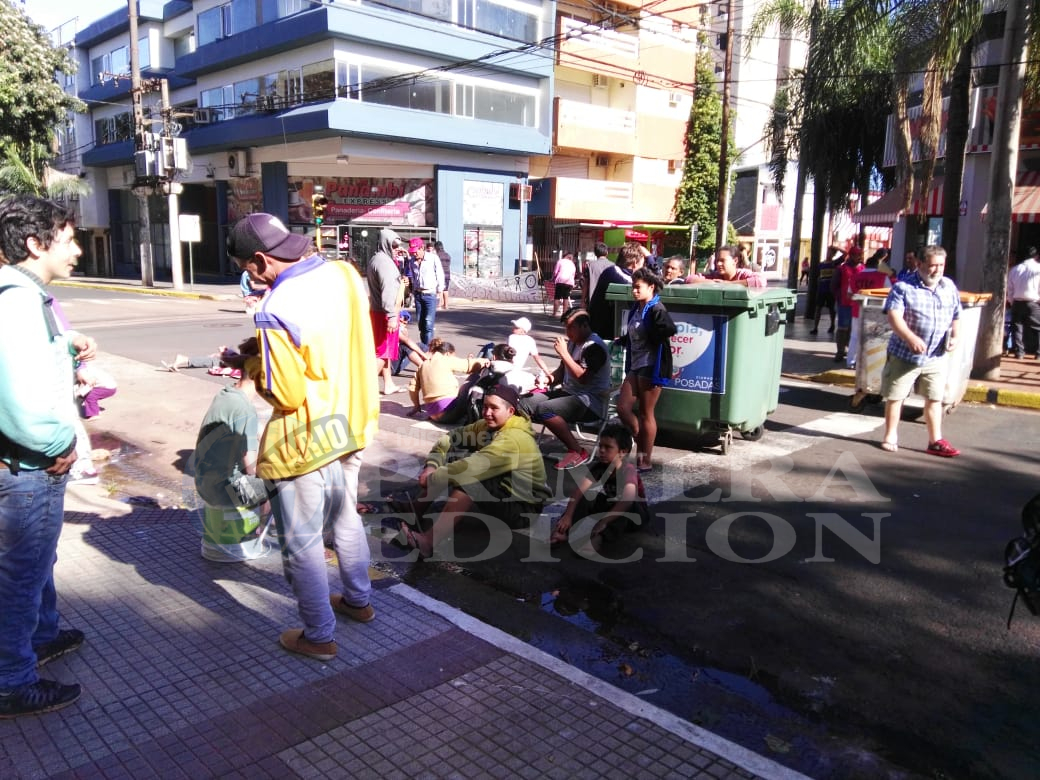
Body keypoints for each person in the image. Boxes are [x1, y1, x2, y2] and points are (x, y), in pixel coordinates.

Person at [227, 212, 380, 662]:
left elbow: (287, 394)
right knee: (346, 516)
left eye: (246, 269)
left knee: (304, 539)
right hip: (353, 420)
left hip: (308, 438)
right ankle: (358, 601)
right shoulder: (343, 272)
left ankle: (318, 635)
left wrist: (253, 365)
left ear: (259, 261)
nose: (249, 278)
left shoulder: (275, 306)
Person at [0, 195, 92, 718]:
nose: (77, 250)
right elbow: (16, 402)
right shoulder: (15, 299)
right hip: (30, 470)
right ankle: (11, 679)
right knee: (22, 573)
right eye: (69, 239)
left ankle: (42, 635)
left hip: (29, 467)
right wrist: (58, 443)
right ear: (36, 244)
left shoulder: (25, 298)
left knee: (34, 565)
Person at [394, 384, 550, 559]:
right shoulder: (486, 425)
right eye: (485, 406)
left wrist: (432, 478)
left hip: (523, 509)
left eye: (494, 408)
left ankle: (428, 542)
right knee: (454, 456)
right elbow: (450, 439)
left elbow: (470, 469)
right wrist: (432, 465)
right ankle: (415, 509)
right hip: (503, 490)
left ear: (511, 411)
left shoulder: (514, 439)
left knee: (469, 477)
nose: (487, 412)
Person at [193, 341, 272, 563]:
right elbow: (251, 466)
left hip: (204, 482)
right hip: (223, 489)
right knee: (286, 484)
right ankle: (264, 538)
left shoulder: (226, 394)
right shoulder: (245, 409)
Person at [879, 245, 962, 457]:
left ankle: (935, 440)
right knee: (896, 396)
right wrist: (910, 337)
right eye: (932, 265)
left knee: (935, 398)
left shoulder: (948, 287)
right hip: (905, 354)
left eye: (941, 265)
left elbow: (956, 315)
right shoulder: (904, 287)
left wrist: (954, 336)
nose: (936, 270)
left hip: (936, 355)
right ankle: (890, 435)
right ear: (920, 264)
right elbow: (894, 316)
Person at [518, 307, 611, 470]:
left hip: (590, 402)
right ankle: (522, 444)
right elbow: (562, 371)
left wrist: (564, 354)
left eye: (570, 327)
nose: (567, 332)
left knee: (545, 409)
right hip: (569, 394)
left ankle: (577, 451)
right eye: (566, 328)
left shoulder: (594, 347)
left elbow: (583, 379)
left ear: (584, 326)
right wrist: (548, 379)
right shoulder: (572, 344)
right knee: (522, 403)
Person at [549, 422, 650, 553]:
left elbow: (627, 501)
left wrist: (603, 521)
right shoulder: (600, 467)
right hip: (613, 505)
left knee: (624, 507)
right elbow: (579, 492)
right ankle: (564, 530)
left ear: (622, 452)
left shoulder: (628, 470)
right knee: (587, 496)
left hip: (635, 515)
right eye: (600, 446)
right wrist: (567, 516)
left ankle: (599, 537)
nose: (601, 450)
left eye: (608, 447)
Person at [616, 268, 677, 473]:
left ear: (651, 287)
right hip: (636, 364)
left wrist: (655, 334)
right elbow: (634, 333)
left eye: (638, 287)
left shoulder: (656, 308)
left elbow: (669, 328)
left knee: (646, 413)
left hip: (652, 366)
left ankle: (645, 460)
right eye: (632, 287)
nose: (634, 291)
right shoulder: (638, 306)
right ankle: (637, 435)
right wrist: (623, 340)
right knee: (623, 407)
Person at [367, 228, 407, 394]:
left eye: (398, 244)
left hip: (379, 312)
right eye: (394, 244)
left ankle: (388, 384)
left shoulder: (378, 259)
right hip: (386, 313)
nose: (398, 247)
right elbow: (388, 291)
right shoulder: (385, 263)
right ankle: (364, 390)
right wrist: (392, 316)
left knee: (385, 351)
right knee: (383, 353)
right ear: (386, 244)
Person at [406, 338, 486, 422]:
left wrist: (416, 406)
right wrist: (487, 361)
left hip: (433, 415)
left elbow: (412, 388)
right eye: (453, 356)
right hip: (449, 414)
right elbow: (469, 365)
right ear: (448, 353)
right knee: (473, 379)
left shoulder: (423, 365)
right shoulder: (445, 359)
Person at [587, 242, 645, 339]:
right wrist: (651, 259)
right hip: (605, 333)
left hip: (601, 329)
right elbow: (650, 288)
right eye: (642, 264)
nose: (643, 267)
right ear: (635, 263)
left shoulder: (611, 271)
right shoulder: (617, 275)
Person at [846, 251, 892, 369]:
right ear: (877, 265)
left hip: (857, 311)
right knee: (875, 337)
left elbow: (849, 295)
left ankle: (851, 361)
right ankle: (872, 362)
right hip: (876, 311)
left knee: (855, 336)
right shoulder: (882, 277)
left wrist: (859, 300)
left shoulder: (855, 276)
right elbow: (890, 293)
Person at [1006, 246, 1040, 360]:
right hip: (1033, 303)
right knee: (1038, 328)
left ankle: (1019, 352)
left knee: (1017, 328)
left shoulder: (1015, 269)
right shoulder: (1038, 269)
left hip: (1017, 302)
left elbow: (1009, 289)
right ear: (1036, 256)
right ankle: (1039, 353)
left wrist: (1012, 301)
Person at [409, 237, 445, 346]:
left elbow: (440, 275)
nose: (414, 254)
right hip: (418, 295)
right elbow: (412, 276)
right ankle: (425, 345)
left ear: (422, 248)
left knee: (428, 323)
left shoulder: (433, 258)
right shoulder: (411, 261)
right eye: (412, 252)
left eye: (416, 252)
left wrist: (441, 293)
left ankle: (428, 348)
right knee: (421, 324)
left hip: (430, 294)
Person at [832, 245, 864, 363]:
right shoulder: (841, 269)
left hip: (858, 304)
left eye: (859, 254)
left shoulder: (863, 269)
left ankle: (851, 351)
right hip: (845, 304)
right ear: (851, 255)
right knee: (842, 329)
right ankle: (840, 351)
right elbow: (834, 285)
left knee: (854, 330)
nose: (858, 257)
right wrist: (839, 297)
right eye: (856, 254)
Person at [686, 245, 766, 287]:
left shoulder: (743, 274)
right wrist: (715, 283)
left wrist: (728, 284)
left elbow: (761, 281)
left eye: (722, 260)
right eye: (717, 260)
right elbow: (690, 279)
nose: (718, 264)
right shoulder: (715, 276)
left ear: (735, 261)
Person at [810, 248, 839, 335]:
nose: (828, 254)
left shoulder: (835, 263)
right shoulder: (821, 264)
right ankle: (815, 328)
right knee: (818, 308)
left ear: (833, 255)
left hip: (830, 290)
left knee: (831, 309)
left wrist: (835, 247)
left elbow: (845, 254)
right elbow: (818, 276)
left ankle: (832, 325)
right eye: (828, 252)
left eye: (831, 253)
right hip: (821, 290)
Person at [551, 251, 577, 317]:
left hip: (560, 281)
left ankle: (554, 313)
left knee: (557, 297)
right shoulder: (572, 264)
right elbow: (573, 274)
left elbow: (555, 272)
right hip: (569, 282)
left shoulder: (560, 261)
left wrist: (553, 279)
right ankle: (564, 314)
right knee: (566, 298)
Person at [434, 240, 451, 310]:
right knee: (446, 290)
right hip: (447, 273)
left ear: (436, 247)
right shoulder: (447, 255)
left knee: (440, 289)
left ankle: (440, 304)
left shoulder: (437, 256)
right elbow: (449, 264)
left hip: (440, 274)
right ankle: (446, 305)